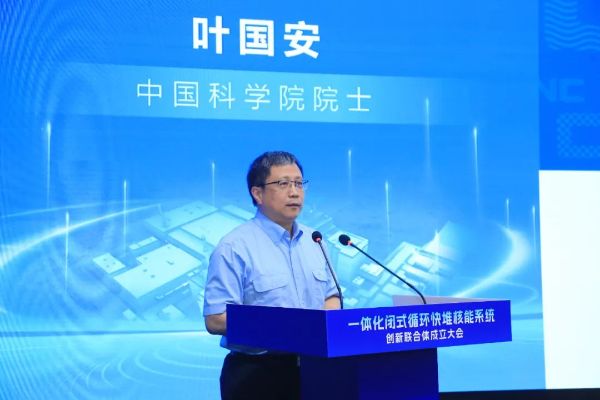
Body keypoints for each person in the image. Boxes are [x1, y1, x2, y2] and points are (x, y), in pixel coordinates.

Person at [203, 151, 341, 400]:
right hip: (258, 376)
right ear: (258, 193)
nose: (294, 192)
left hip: (317, 368)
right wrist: (283, 328)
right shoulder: (234, 247)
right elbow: (215, 319)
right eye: (283, 184)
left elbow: (331, 296)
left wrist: (321, 328)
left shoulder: (315, 241)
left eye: (299, 183)